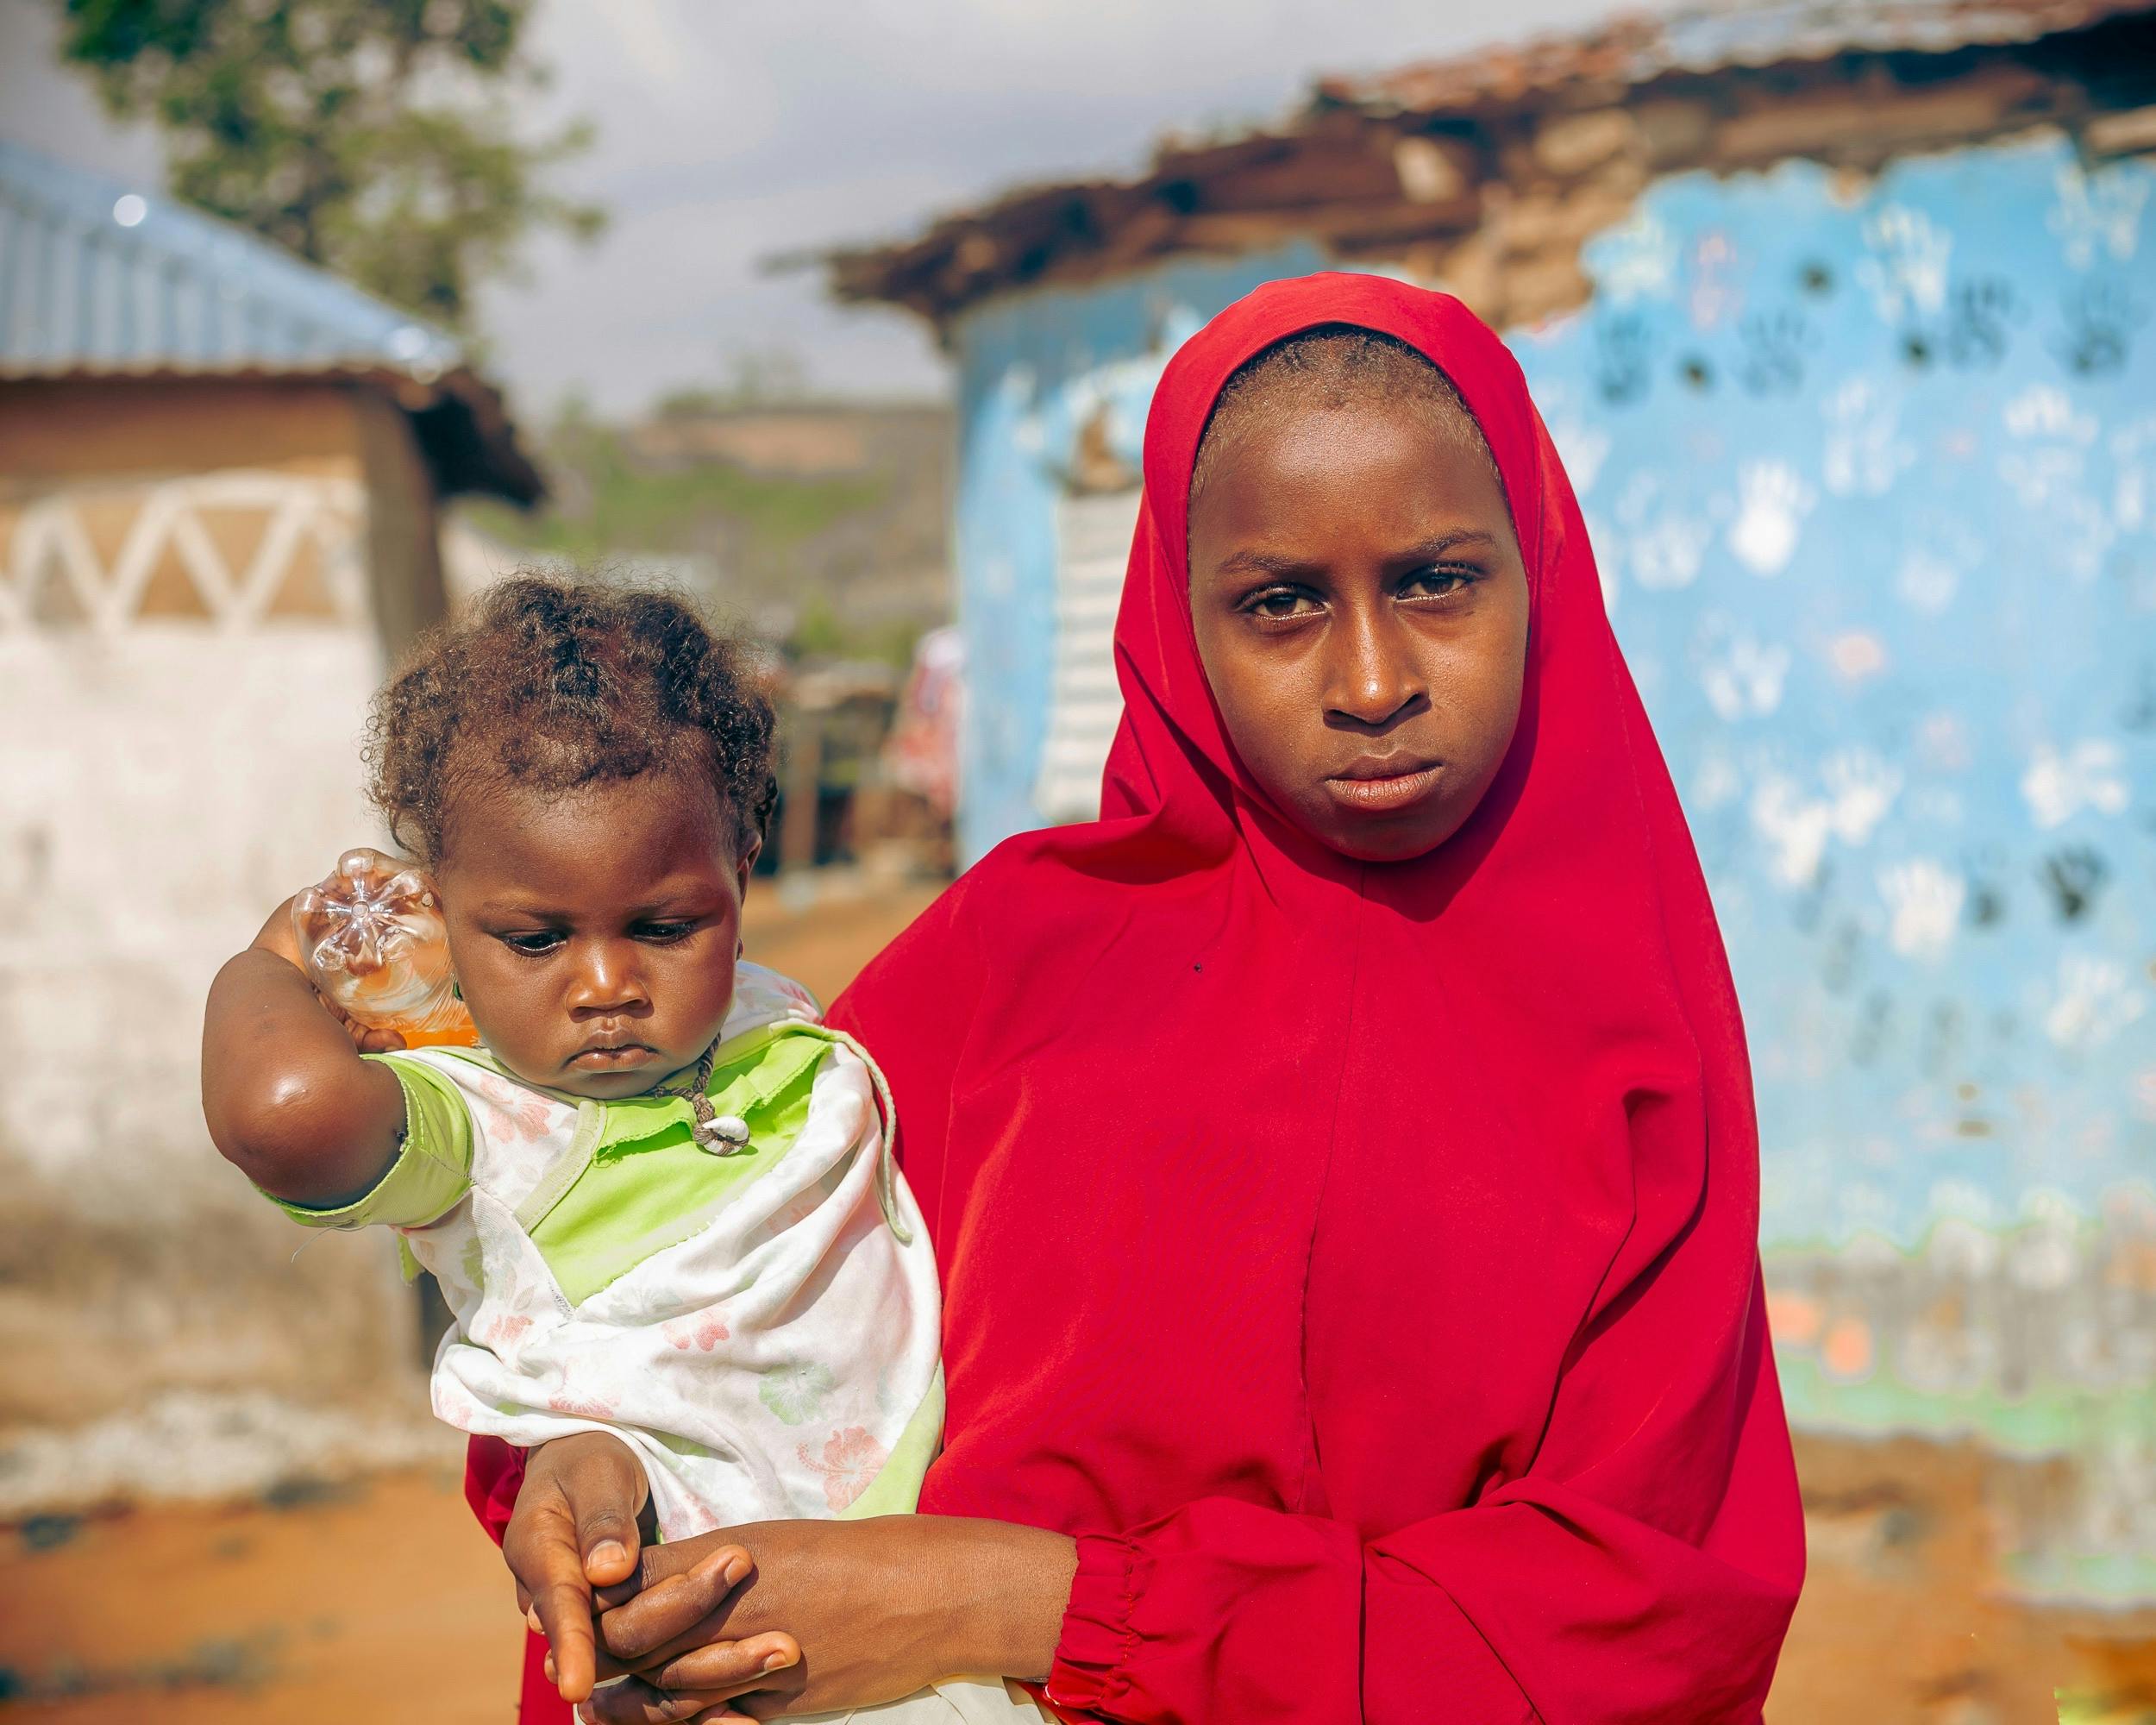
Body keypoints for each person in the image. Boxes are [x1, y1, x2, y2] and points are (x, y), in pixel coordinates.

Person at [475, 273, 1807, 1724]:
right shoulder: (1015, 962)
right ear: (1177, 624)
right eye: (1281, 603)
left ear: (1537, 569)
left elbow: (1645, 1623)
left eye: (1435, 580)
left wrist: (1019, 1607)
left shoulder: (1635, 1038)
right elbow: (704, 1277)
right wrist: (582, 1464)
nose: (1372, 680)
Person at [201, 577, 1054, 1724]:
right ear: (443, 917)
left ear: (742, 872)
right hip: (705, 1640)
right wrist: (285, 948)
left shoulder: (764, 1023)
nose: (608, 986)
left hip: (921, 1600)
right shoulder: (482, 1120)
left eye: (663, 926)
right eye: (535, 938)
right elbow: (284, 1113)